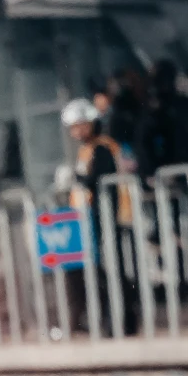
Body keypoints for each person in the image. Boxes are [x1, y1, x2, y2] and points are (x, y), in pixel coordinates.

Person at [61, 98, 137, 335]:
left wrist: (78, 179)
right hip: (98, 220)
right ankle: (113, 322)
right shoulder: (90, 148)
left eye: (80, 125)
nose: (76, 131)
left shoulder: (101, 147)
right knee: (105, 273)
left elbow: (102, 182)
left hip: (109, 219)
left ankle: (121, 323)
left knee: (111, 272)